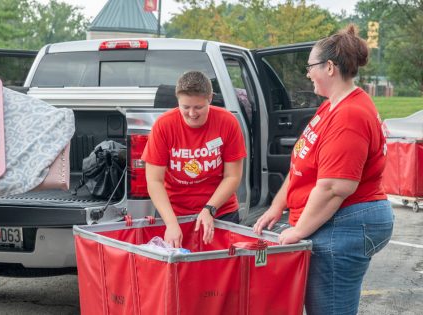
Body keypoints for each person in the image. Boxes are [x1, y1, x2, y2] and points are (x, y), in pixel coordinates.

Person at [253, 24, 394, 315]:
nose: (308, 74)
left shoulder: (349, 115)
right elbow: (303, 163)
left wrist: (299, 230)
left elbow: (334, 187)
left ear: (329, 67)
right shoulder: (331, 107)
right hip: (340, 218)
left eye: (310, 67)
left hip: (347, 221)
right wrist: (277, 206)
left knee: (328, 308)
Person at [142, 70, 247, 248]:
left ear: (210, 99)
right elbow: (154, 180)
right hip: (174, 213)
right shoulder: (164, 125)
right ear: (178, 101)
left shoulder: (227, 122)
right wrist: (171, 223)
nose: (192, 113)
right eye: (185, 107)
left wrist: (209, 209)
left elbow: (233, 176)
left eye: (198, 107)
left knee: (220, 270)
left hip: (220, 211)